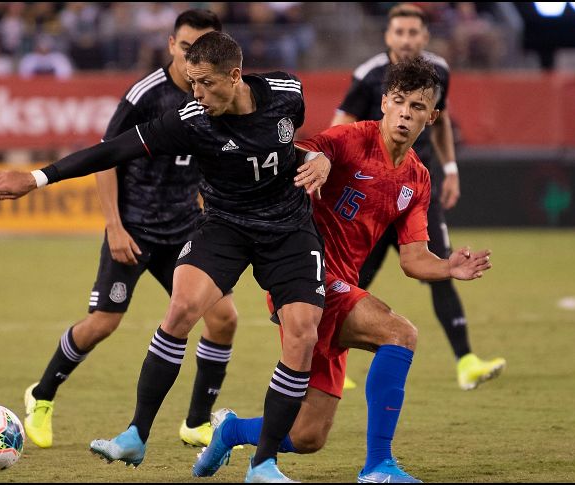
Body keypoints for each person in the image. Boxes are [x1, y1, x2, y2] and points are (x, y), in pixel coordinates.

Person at [0, 31, 331, 482]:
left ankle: (263, 462)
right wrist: (36, 179)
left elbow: (303, 144)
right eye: (192, 83)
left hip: (288, 228)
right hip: (225, 226)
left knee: (303, 334)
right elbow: (112, 150)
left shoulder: (287, 93)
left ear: (235, 75)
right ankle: (136, 434)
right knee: (182, 308)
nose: (197, 93)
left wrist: (322, 156)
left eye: (206, 83)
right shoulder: (190, 120)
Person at [193, 56, 493, 483]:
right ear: (385, 103)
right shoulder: (353, 138)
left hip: (338, 288)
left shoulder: (418, 179)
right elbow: (312, 149)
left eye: (418, 107)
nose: (407, 113)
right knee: (400, 332)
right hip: (303, 276)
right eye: (400, 102)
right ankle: (378, 467)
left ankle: (232, 430)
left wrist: (448, 268)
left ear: (432, 117)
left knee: (309, 434)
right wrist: (321, 160)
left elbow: (412, 259)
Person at [17, 10, 240, 451]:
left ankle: (196, 422)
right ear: (171, 44)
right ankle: (41, 396)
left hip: (184, 229)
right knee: (103, 323)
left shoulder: (221, 95)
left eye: (203, 49)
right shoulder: (147, 94)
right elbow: (107, 156)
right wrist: (115, 227)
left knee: (224, 318)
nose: (193, 57)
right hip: (135, 229)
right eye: (186, 47)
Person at [329, 3, 504, 391]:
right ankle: (330, 361)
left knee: (442, 270)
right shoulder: (369, 75)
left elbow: (440, 122)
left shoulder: (439, 72)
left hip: (415, 193)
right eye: (400, 32)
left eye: (414, 33)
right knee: (349, 279)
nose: (407, 39)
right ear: (388, 36)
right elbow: (339, 126)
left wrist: (451, 169)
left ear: (425, 37)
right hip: (372, 196)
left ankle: (466, 362)